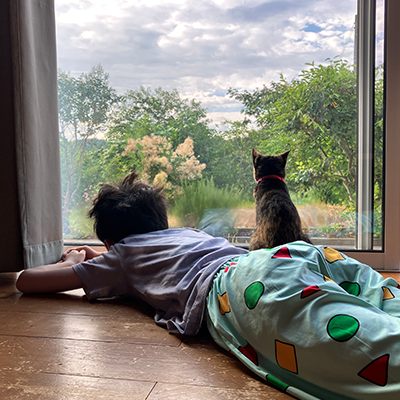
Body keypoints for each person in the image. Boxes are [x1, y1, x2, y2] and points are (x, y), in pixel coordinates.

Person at [16, 172, 400, 400]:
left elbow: (27, 281)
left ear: (110, 242)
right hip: (285, 256)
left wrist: (74, 260)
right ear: (160, 222)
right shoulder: (186, 233)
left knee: (360, 348)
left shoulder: (122, 257)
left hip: (242, 285)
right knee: (379, 295)